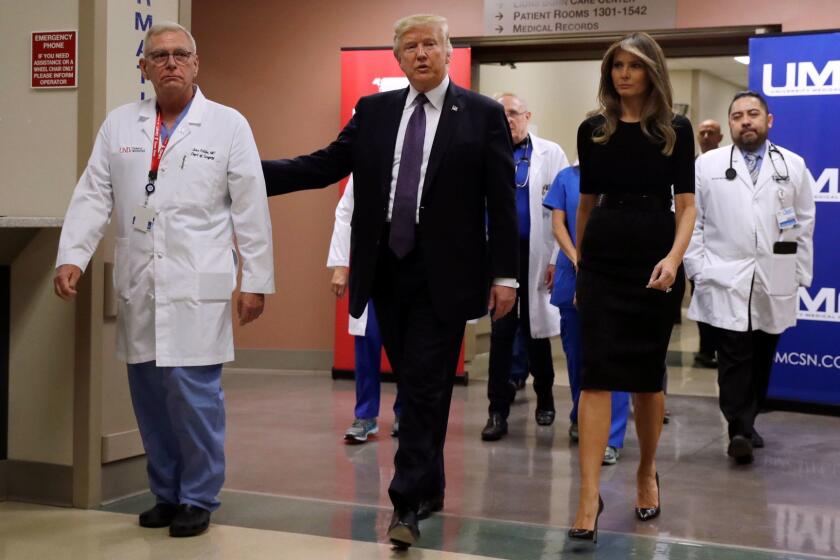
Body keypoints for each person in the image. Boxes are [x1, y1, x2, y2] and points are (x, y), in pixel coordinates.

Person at [261, 14, 518, 548]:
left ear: (448, 52)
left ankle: (404, 504)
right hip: (387, 270)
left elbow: (501, 202)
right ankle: (433, 483)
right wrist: (250, 172)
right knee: (419, 383)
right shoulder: (374, 112)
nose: (421, 53)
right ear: (397, 58)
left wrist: (506, 275)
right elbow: (326, 165)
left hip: (446, 274)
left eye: (430, 44)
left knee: (423, 386)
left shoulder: (481, 114)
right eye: (410, 47)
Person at [53, 22, 275, 537]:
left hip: (199, 283)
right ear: (144, 67)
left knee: (193, 395)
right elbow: (93, 195)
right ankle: (166, 492)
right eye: (159, 56)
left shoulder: (227, 125)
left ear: (197, 64)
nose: (170, 62)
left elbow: (250, 209)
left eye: (180, 54)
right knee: (150, 393)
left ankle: (198, 496)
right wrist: (73, 256)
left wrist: (256, 278)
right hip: (141, 280)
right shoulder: (119, 125)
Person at [569, 32, 696, 543]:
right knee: (595, 373)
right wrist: (580, 267)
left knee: (646, 378)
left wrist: (673, 258)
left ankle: (646, 471)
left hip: (654, 257)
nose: (624, 73)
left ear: (652, 72)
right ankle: (587, 494)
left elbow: (685, 206)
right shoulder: (592, 129)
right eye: (617, 65)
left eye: (634, 66)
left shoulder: (675, 129)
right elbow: (585, 205)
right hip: (602, 257)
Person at [685, 91, 815, 465]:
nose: (745, 121)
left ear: (768, 121)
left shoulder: (792, 165)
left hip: (775, 274)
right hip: (725, 275)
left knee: (762, 354)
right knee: (734, 355)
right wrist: (697, 267)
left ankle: (749, 418)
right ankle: (738, 428)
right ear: (730, 124)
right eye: (737, 115)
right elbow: (693, 220)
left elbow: (804, 222)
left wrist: (800, 272)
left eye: (753, 114)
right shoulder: (707, 165)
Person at [481, 92, 568, 441]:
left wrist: (554, 259)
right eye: (502, 115)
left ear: (528, 115)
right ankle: (496, 412)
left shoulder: (551, 153)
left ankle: (545, 398)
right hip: (501, 257)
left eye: (514, 114)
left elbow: (562, 211)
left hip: (538, 254)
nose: (508, 121)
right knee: (501, 334)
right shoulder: (484, 153)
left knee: (537, 333)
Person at [542, 162, 631, 464]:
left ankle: (612, 436)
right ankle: (583, 417)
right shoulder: (567, 178)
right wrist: (579, 259)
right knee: (578, 358)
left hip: (614, 276)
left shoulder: (623, 175)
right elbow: (558, 224)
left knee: (613, 360)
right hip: (573, 275)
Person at [328, 178, 402, 442]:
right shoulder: (367, 159)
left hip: (408, 265)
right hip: (371, 265)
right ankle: (365, 416)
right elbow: (345, 211)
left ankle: (405, 413)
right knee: (367, 339)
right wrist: (339, 264)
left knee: (407, 345)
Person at [692, 118, 725, 368]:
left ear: (720, 137)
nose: (705, 137)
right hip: (697, 246)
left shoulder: (728, 164)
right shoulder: (689, 164)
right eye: (702, 132)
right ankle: (706, 350)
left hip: (724, 245)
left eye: (710, 132)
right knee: (701, 297)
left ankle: (721, 349)